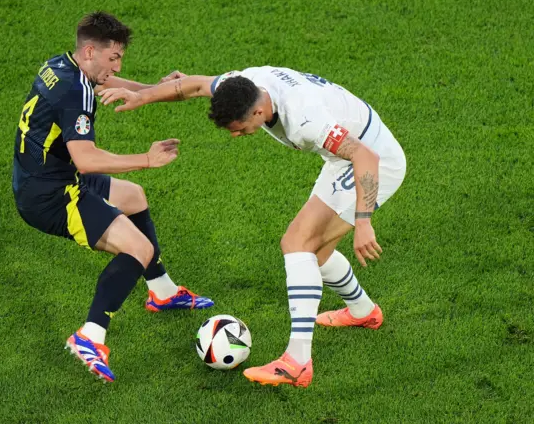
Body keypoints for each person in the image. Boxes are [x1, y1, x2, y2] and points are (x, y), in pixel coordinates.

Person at [99, 66, 406, 388]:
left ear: (259, 110)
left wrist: (363, 221)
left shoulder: (305, 121)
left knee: (298, 243)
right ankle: (363, 311)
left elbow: (365, 157)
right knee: (315, 251)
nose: (236, 134)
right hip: (344, 157)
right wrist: (141, 95)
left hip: (374, 161)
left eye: (239, 127)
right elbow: (194, 86)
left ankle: (297, 363)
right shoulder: (244, 85)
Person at [12, 11, 213, 383]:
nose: (117, 65)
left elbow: (107, 83)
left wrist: (153, 89)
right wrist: (147, 160)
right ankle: (90, 336)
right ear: (90, 51)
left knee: (133, 197)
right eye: (113, 57)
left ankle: (162, 293)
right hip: (53, 195)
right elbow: (87, 161)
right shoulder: (77, 93)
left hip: (39, 177)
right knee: (138, 249)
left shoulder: (61, 65)